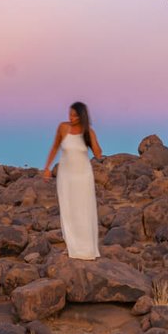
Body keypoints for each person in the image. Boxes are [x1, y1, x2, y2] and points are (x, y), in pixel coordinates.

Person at [41, 101, 102, 260]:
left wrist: (90, 134)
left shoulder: (88, 131)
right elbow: (55, 147)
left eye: (75, 115)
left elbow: (97, 154)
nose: (71, 117)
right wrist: (47, 167)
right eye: (70, 114)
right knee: (69, 210)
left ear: (82, 116)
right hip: (66, 176)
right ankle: (73, 247)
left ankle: (87, 248)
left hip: (83, 176)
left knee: (84, 210)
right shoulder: (63, 127)